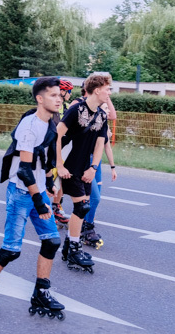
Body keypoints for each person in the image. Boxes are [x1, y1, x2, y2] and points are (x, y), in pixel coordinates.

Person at [0, 77, 65, 321]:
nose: (59, 99)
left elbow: (43, 161)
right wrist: (40, 201)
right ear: (40, 98)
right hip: (21, 193)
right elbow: (24, 170)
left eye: (60, 95)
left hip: (38, 190)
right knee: (11, 250)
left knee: (52, 242)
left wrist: (49, 186)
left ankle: (41, 292)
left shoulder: (50, 123)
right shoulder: (29, 126)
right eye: (54, 95)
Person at [56, 72, 112, 273]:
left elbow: (99, 144)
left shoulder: (102, 115)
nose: (109, 93)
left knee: (84, 208)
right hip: (69, 167)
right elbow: (57, 135)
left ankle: (68, 246)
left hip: (85, 168)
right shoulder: (75, 110)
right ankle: (74, 247)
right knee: (80, 208)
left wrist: (93, 167)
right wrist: (59, 165)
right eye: (107, 89)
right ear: (97, 90)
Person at [81, 103, 117, 249]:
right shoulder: (91, 121)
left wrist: (113, 167)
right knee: (93, 198)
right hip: (87, 161)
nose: (108, 110)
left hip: (97, 163)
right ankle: (86, 228)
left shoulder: (104, 123)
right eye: (106, 108)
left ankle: (85, 225)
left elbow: (107, 147)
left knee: (94, 198)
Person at [50, 79, 73, 228]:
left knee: (61, 179)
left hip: (65, 148)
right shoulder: (53, 107)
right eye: (69, 91)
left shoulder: (66, 107)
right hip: (53, 148)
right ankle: (49, 208)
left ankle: (57, 207)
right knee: (52, 179)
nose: (70, 94)